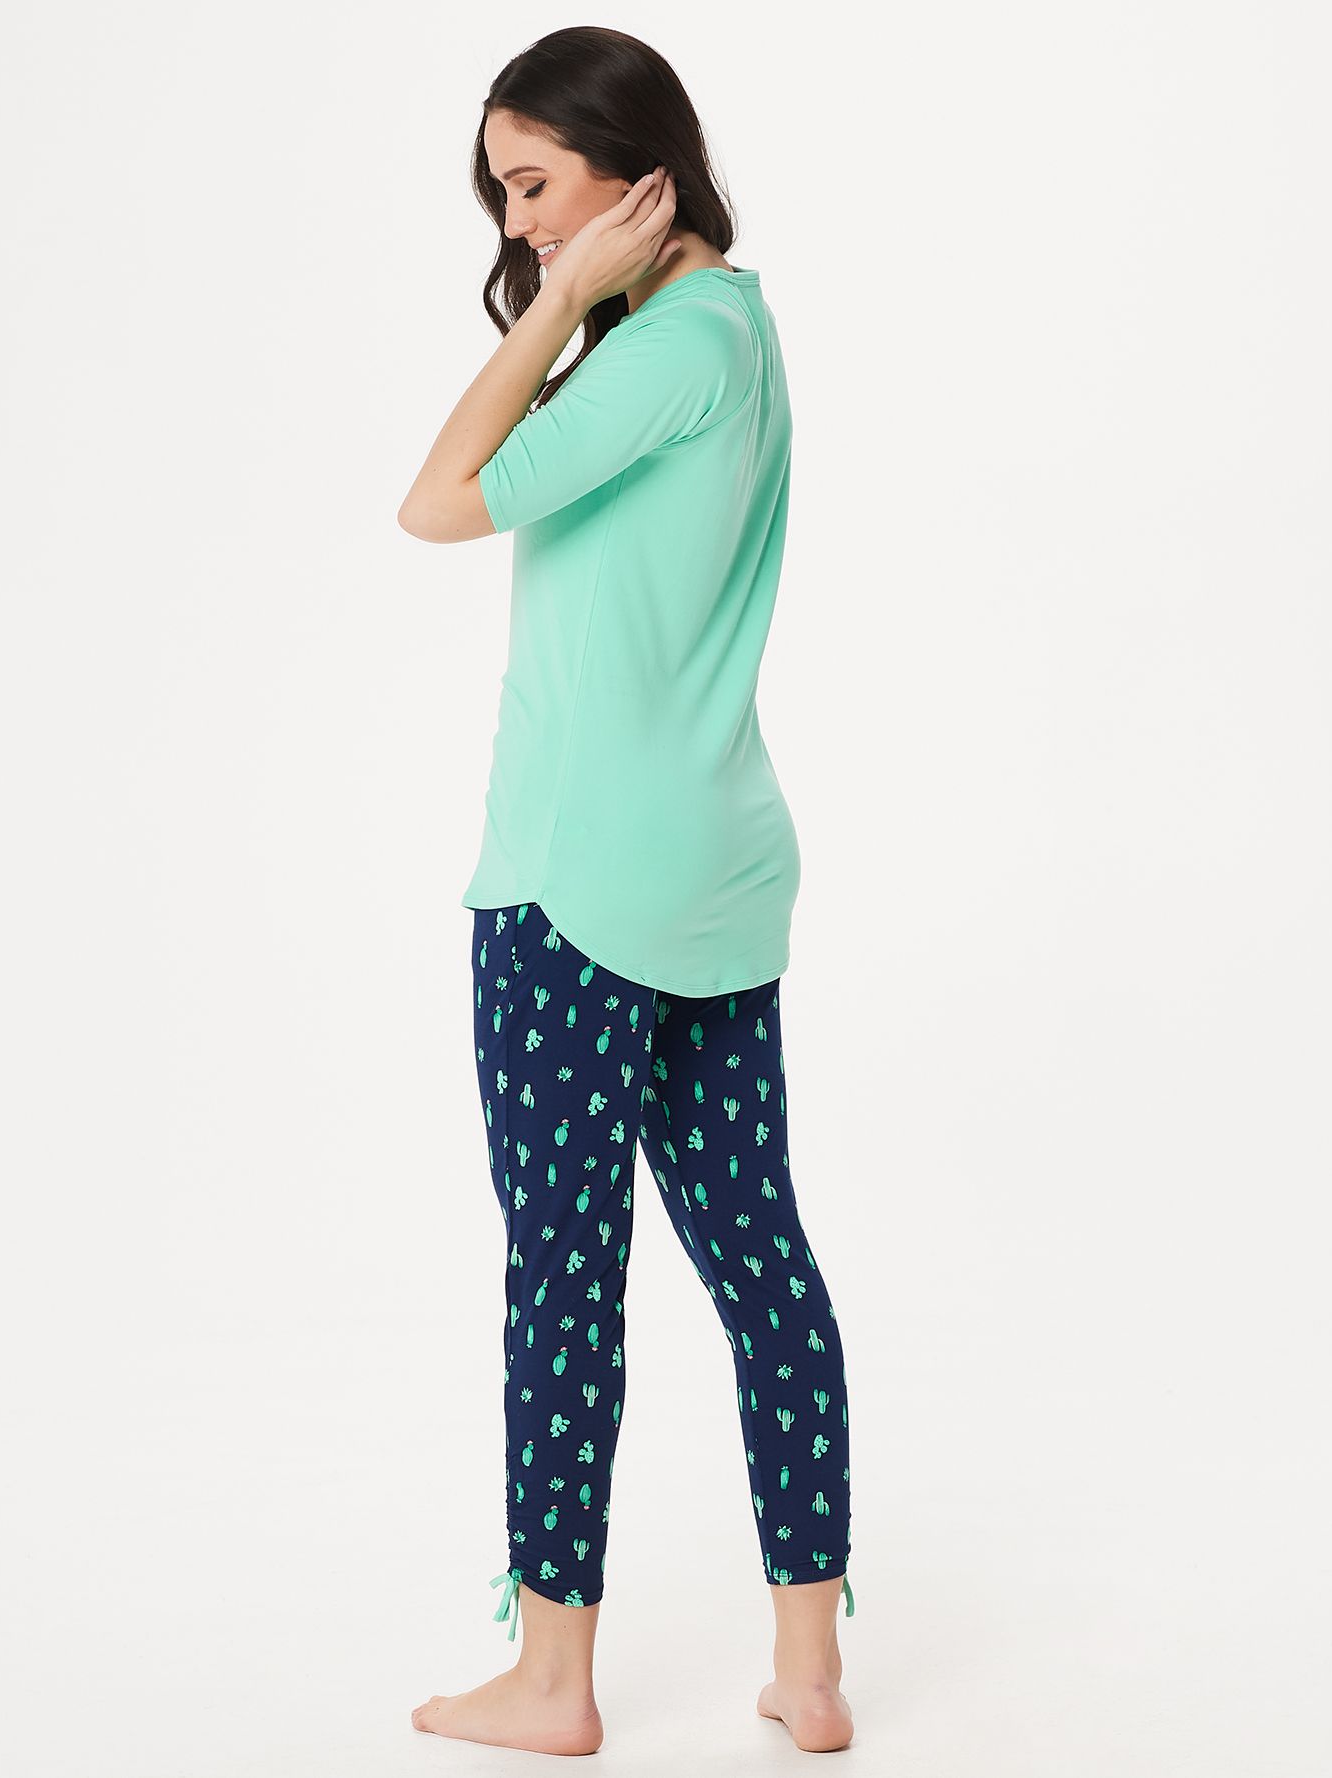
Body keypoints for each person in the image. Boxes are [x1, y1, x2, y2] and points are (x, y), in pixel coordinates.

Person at [397, 26, 855, 1757]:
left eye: (535, 187)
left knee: (564, 1280)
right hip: (717, 870)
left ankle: (552, 1677)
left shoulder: (667, 344)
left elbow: (437, 500)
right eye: (503, 200)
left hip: (575, 884)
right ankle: (808, 1670)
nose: (519, 227)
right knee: (761, 1257)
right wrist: (576, 286)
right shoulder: (743, 332)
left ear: (634, 168)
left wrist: (555, 306)